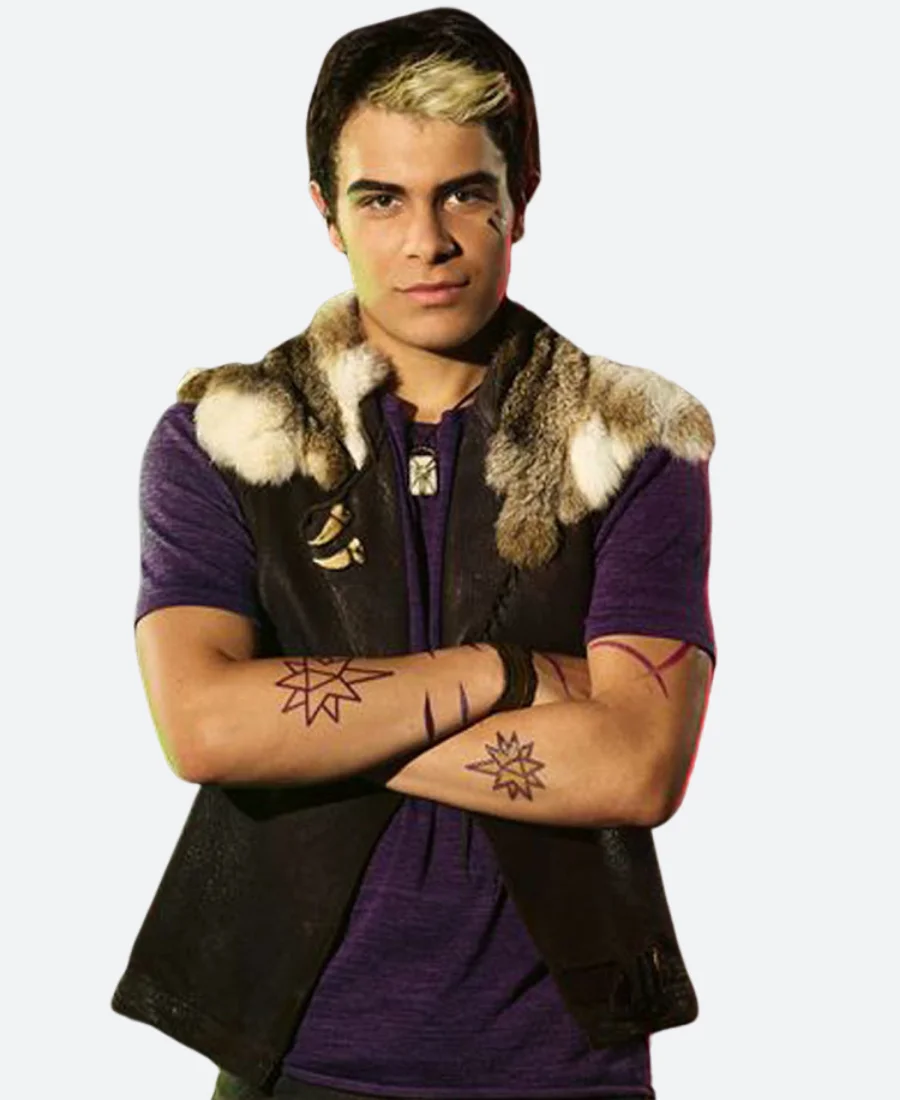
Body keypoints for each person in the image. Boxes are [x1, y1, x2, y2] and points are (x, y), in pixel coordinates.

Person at [111, 8, 717, 1099]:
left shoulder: (631, 438)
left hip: (562, 1062)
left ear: (520, 196)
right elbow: (204, 727)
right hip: (290, 1050)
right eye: (380, 198)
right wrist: (505, 674)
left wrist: (290, 722)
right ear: (326, 212)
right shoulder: (226, 437)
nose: (424, 242)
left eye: (464, 194)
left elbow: (635, 765)